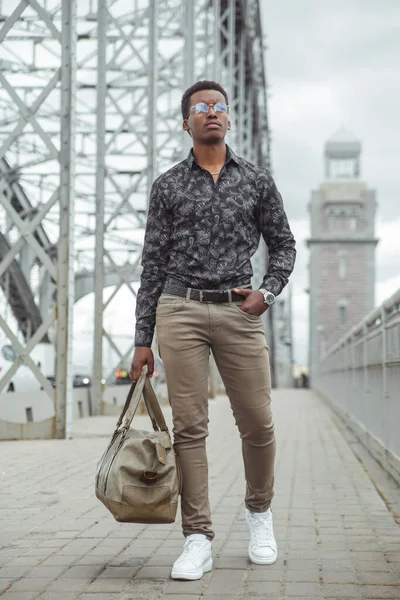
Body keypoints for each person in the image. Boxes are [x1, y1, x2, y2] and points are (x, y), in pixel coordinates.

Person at [130, 80, 296, 580]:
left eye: (219, 106)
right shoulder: (168, 186)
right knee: (190, 428)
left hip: (238, 311)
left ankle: (259, 515)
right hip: (178, 309)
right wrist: (142, 339)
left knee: (258, 422)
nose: (211, 113)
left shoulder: (257, 182)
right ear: (187, 122)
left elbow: (284, 245)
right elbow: (152, 264)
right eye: (200, 108)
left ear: (229, 118)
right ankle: (197, 537)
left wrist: (267, 292)